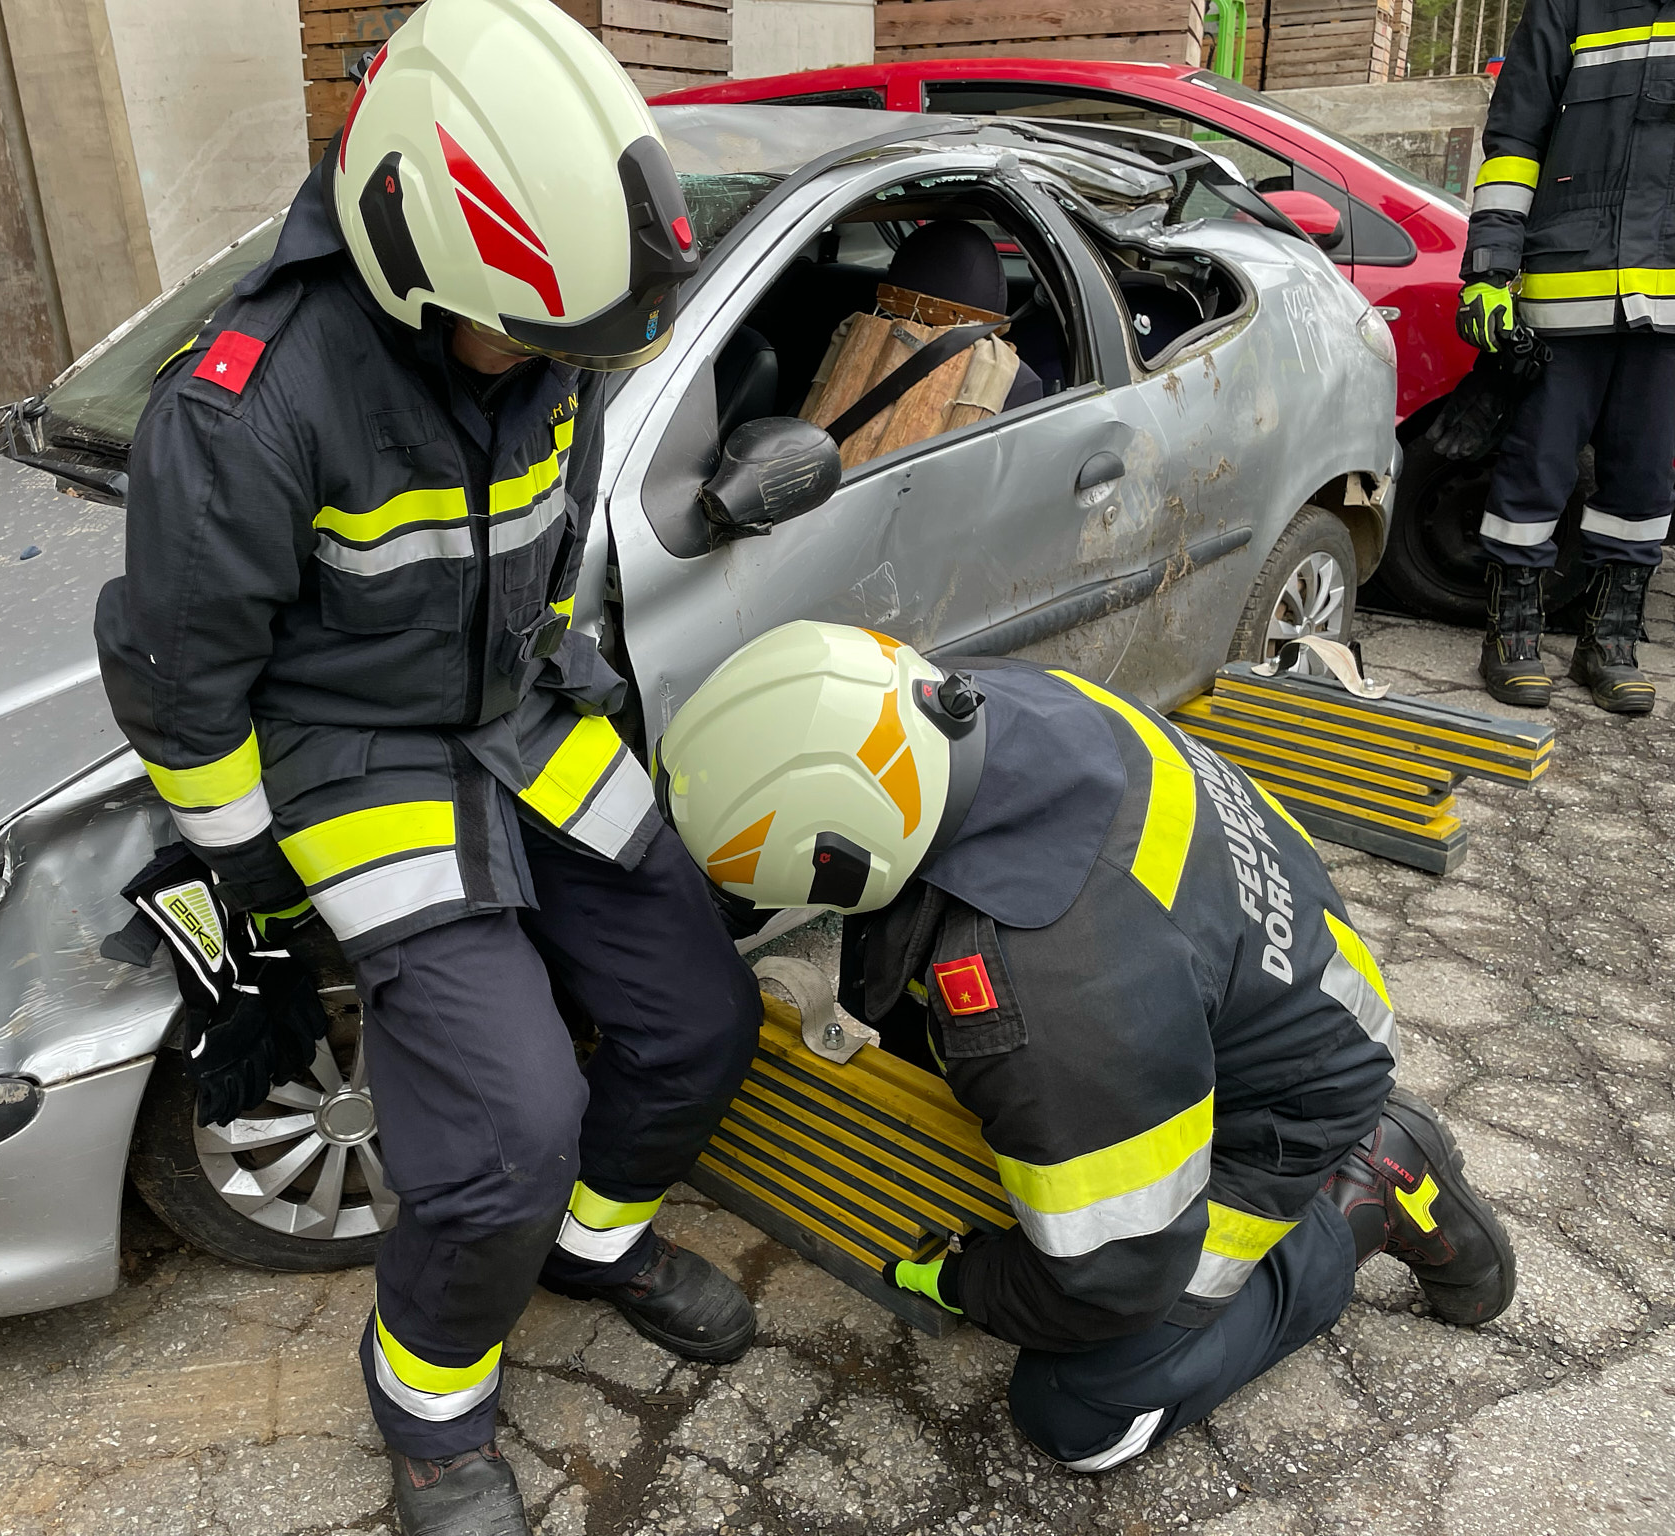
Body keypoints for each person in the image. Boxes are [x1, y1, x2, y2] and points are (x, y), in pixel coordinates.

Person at [93, 3, 761, 1530]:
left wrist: (598, 703)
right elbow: (184, 691)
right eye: (529, 341)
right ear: (413, 262)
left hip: (523, 722)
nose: (554, 371)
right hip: (360, 764)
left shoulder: (545, 330)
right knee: (507, 1138)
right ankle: (432, 1403)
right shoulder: (251, 406)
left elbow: (552, 559)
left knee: (699, 1017)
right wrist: (252, 895)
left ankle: (595, 1245)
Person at [655, 623, 1514, 1471]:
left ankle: (1362, 1196)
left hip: (1286, 1107)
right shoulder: (961, 707)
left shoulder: (1054, 1002)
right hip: (1272, 972)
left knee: (1080, 1410)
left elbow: (1111, 1283)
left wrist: (956, 1279)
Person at [1458, 0, 1674, 713]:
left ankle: (1609, 642)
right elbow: (1514, 141)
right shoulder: (1569, 5)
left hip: (1669, 304)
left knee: (1644, 483)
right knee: (1534, 469)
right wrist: (1490, 269)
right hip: (1566, 287)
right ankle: (1511, 635)